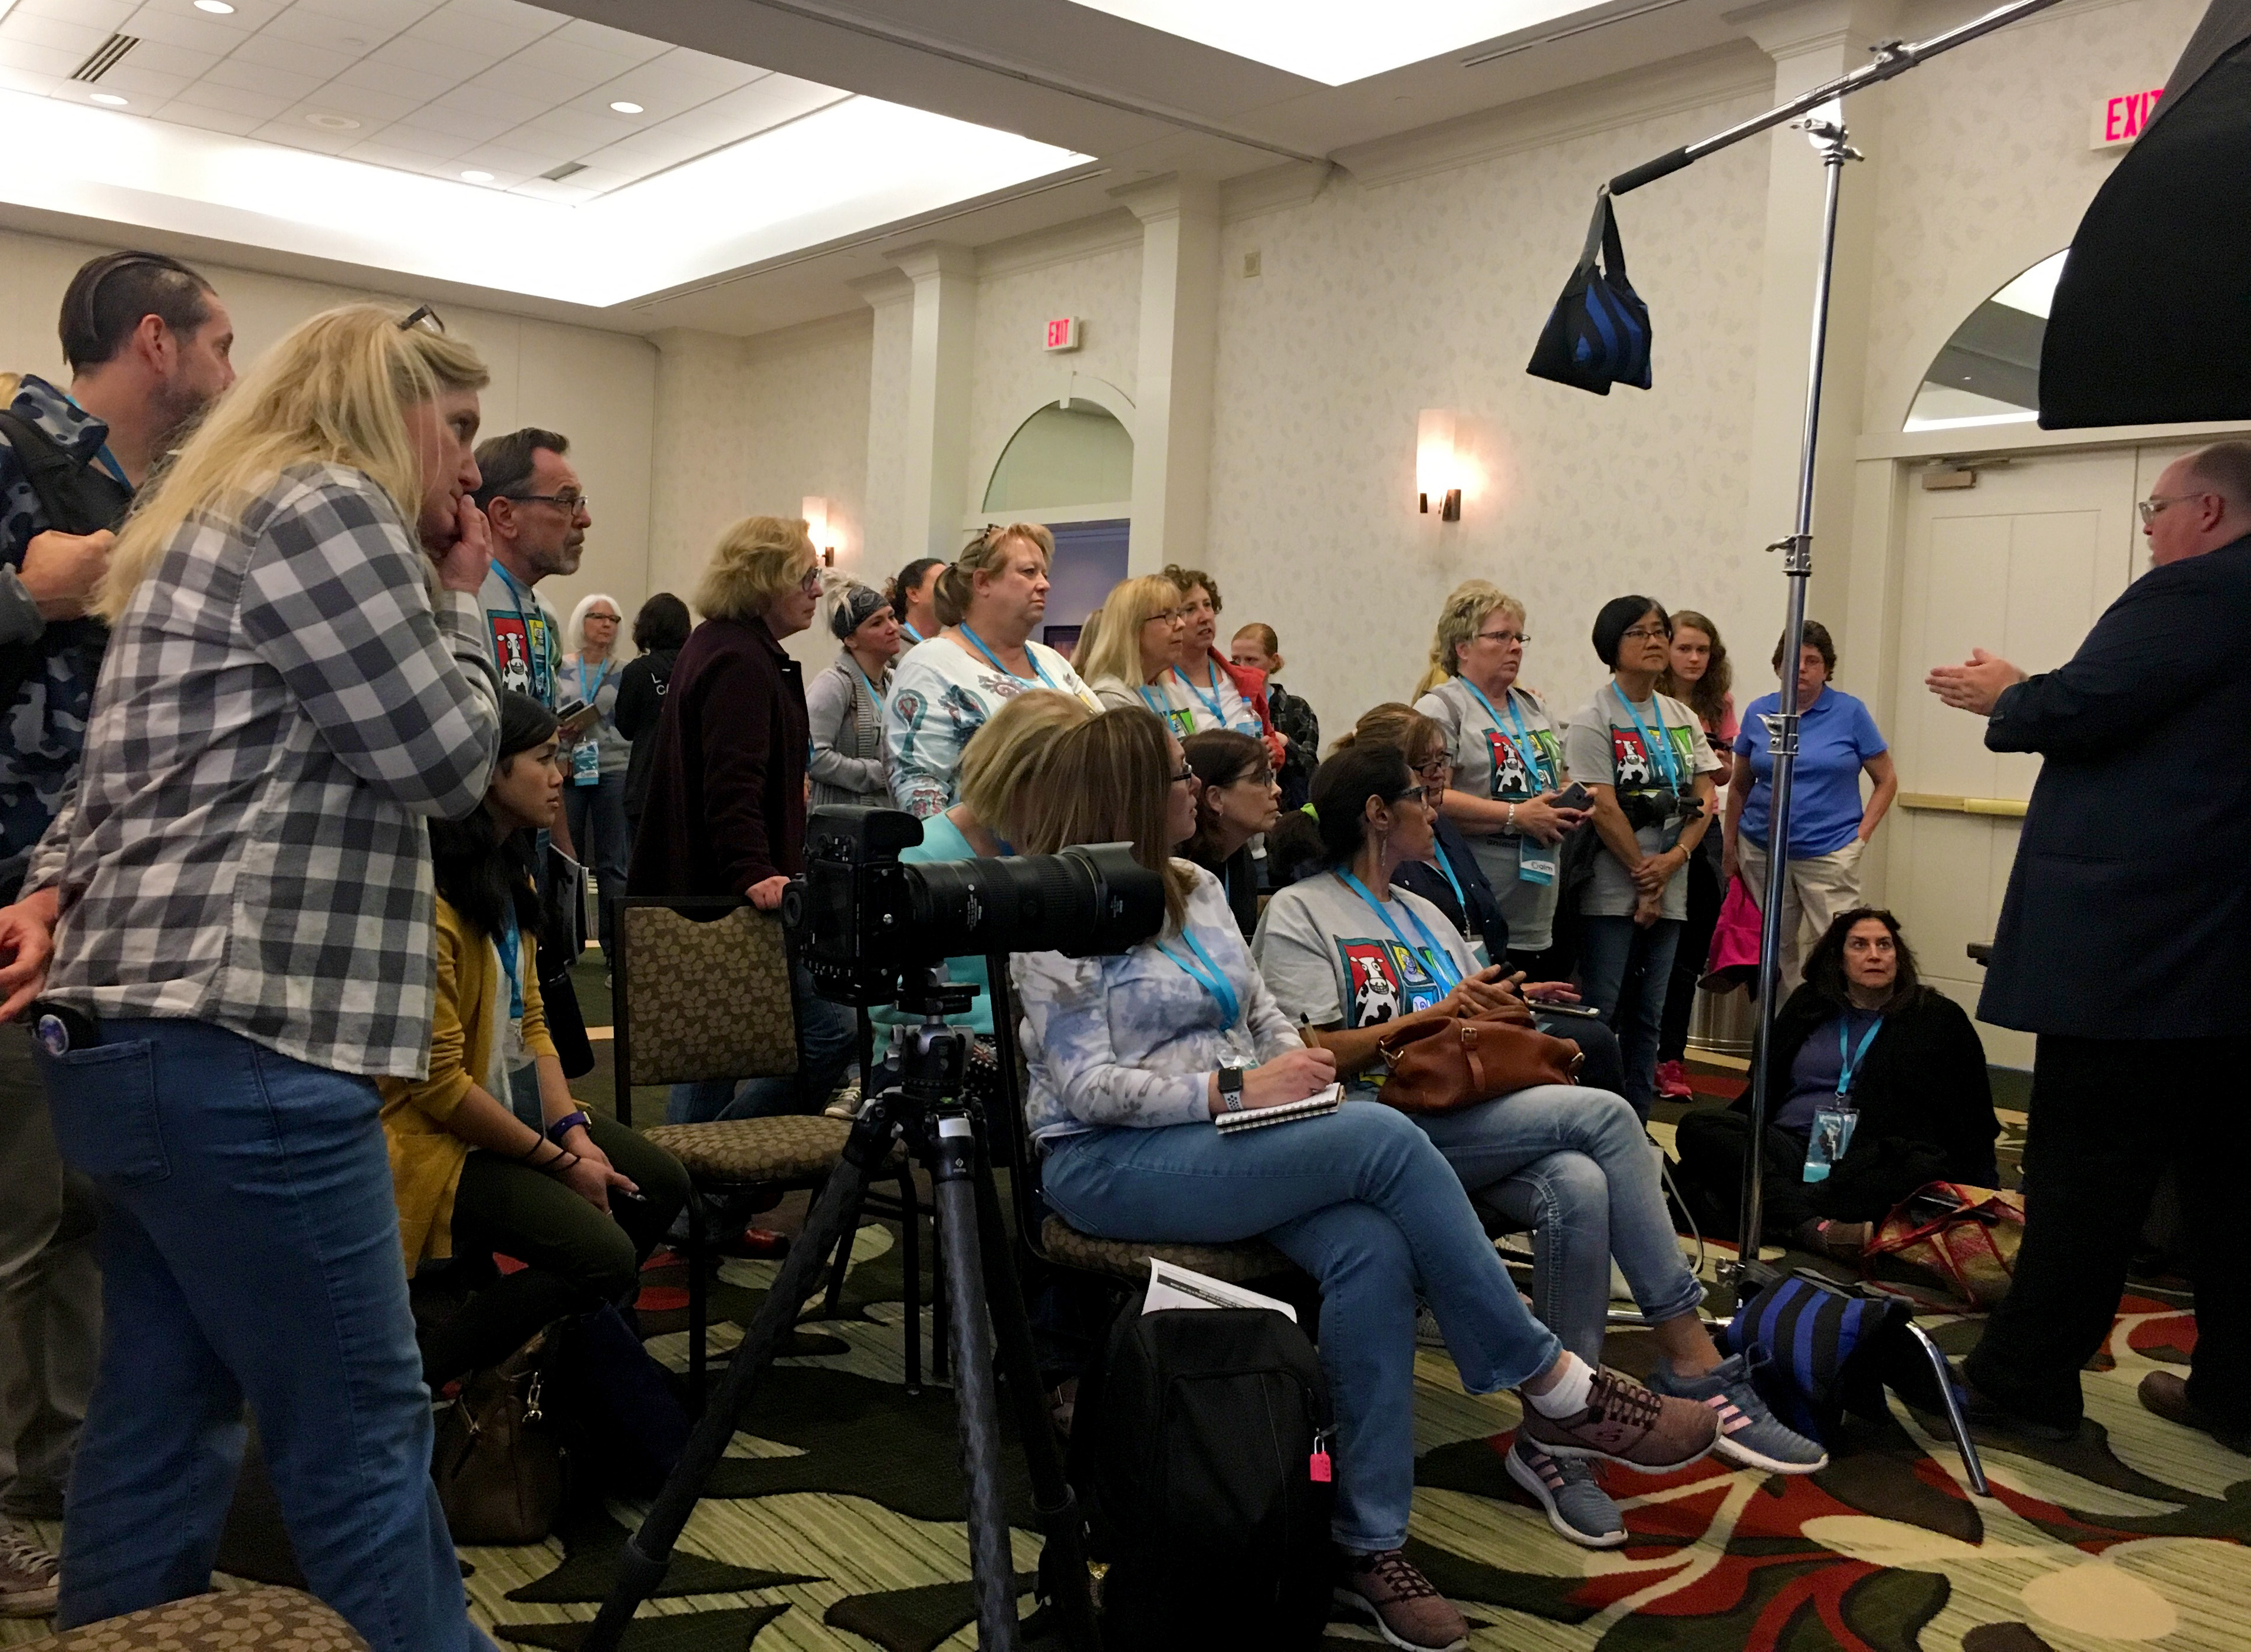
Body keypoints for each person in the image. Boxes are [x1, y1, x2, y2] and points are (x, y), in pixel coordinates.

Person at [0, 302, 500, 1647]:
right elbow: (449, 762)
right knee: (359, 1436)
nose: (471, 470)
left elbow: (107, 787)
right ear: (383, 408)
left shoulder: (198, 522)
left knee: (161, 1419)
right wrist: (462, 600)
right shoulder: (329, 506)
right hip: (247, 1043)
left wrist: (49, 884)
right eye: (453, 431)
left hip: (136, 1043)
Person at [1013, 708, 1722, 1647]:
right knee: (1382, 1139)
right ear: (1129, 793)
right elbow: (1085, 1088)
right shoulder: (1057, 910)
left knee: (1372, 1247)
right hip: (1104, 1162)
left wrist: (1288, 1068)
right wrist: (1237, 1089)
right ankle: (1553, 1381)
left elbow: (1260, 1010)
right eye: (1180, 773)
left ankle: (1362, 1540)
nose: (1197, 787)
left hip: (1229, 1129)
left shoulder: (1194, 883)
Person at [1253, 743, 1825, 1546]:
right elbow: (1313, 1048)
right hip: (1373, 1128)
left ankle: (1556, 1440)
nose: (1433, 806)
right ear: (1377, 813)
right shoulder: (1301, 912)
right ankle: (1690, 1355)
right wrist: (1442, 1011)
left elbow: (1470, 1020)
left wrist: (1494, 1001)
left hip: (1457, 1116)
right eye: (1420, 795)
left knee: (1577, 1183)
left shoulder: (1423, 912)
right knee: (1604, 1116)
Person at [1925, 439, 2251, 1454]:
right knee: (2226, 1186)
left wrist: (2008, 693)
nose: (2147, 527)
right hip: (2223, 959)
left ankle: (2025, 1382)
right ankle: (2236, 1391)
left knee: (2082, 1179)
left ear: (2203, 511)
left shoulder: (2194, 591)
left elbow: (2084, 705)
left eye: (2153, 509)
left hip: (2137, 955)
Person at [0, 251, 234, 1610]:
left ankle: (65, 1470)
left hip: (109, 900)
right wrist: (34, 595)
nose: (230, 372)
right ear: (157, 342)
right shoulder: (14, 454)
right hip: (9, 890)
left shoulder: (159, 500)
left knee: (86, 1213)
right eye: (219, 341)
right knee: (14, 1223)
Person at [385, 692, 688, 1387]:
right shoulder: (424, 895)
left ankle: (547, 1358)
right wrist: (558, 1162)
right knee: (604, 1256)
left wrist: (574, 1134)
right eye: (546, 758)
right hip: (429, 1137)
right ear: (489, 773)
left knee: (659, 1186)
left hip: (506, 1105)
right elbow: (435, 1088)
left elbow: (530, 1025)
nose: (562, 775)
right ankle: (410, 1382)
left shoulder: (509, 868)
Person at [630, 515, 856, 1125]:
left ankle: (695, 1204)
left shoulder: (727, 646)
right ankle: (715, 1186)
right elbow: (732, 784)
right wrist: (753, 868)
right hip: (734, 893)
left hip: (714, 888)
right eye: (806, 577)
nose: (816, 590)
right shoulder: (739, 660)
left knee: (712, 1061)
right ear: (762, 581)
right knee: (834, 1034)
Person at [1331, 704, 1629, 1097]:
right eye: (1424, 766)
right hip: (1431, 1036)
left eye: (1443, 759)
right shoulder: (1379, 871)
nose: (1439, 774)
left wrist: (1508, 992)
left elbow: (1468, 947)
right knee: (1589, 1052)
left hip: (1469, 1005)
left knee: (1590, 1048)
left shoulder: (1445, 832)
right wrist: (1466, 1002)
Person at [1674, 910, 1997, 1259]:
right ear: (1838, 959)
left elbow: (1971, 1117)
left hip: (1867, 1161)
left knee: (1916, 1170)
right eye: (1860, 945)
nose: (1875, 955)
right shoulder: (1809, 1005)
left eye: (1884, 945)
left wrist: (1981, 1191)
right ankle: (1812, 1226)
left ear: (1898, 957)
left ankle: (1779, 1213)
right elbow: (1761, 1090)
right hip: (1790, 1145)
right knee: (1701, 1127)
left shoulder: (1936, 1018)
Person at [1565, 597, 1721, 1120]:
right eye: (1639, 633)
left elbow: (1705, 796)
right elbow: (1601, 805)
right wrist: (1644, 876)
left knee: (1650, 1017)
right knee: (1602, 1012)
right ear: (1612, 645)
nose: (1655, 642)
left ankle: (1637, 1122)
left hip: (1670, 878)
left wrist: (1674, 859)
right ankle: (1592, 1117)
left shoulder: (1680, 716)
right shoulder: (1593, 717)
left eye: (1660, 632)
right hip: (1612, 887)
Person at [870, 688, 1092, 1042]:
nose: (1074, 810)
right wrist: (1033, 1010)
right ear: (1015, 781)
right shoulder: (919, 859)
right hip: (941, 1060)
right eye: (1064, 794)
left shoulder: (1053, 850)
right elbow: (882, 1001)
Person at [1413, 581, 1587, 975]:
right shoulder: (1443, 708)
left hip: (1538, 898)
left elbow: (1553, 778)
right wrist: (1515, 816)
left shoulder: (1532, 706)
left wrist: (1565, 803)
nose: (1515, 647)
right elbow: (1428, 796)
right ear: (1462, 647)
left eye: (1518, 637)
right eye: (1500, 637)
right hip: (1474, 899)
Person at [1724, 620, 1896, 999]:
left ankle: (1836, 1034)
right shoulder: (1758, 712)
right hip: (1763, 851)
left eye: (1812, 660)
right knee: (1775, 950)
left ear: (1827, 669)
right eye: (1792, 660)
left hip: (1830, 851)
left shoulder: (1850, 713)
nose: (1801, 668)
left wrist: (1860, 839)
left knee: (1837, 947)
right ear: (1777, 666)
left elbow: (1887, 780)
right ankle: (1785, 1036)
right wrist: (1729, 846)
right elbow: (1739, 786)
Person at [886, 523, 1099, 818]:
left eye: (1044, 574)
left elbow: (1103, 738)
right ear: (983, 582)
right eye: (1028, 572)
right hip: (986, 858)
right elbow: (920, 795)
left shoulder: (1051, 661)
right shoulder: (932, 664)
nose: (1044, 584)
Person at [472, 427, 586, 858]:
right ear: (504, 516)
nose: (583, 519)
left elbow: (544, 740)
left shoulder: (545, 614)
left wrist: (563, 849)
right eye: (564, 501)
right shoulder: (459, 603)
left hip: (525, 847)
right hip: (467, 844)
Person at [1653, 610, 1738, 1101]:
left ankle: (1671, 1059)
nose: (1693, 658)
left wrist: (1708, 758)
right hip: (1654, 825)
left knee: (1689, 953)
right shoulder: (1647, 701)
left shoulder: (1718, 702)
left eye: (1702, 650)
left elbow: (1723, 772)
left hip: (1703, 824)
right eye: (1684, 648)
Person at [559, 593, 631, 971]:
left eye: (613, 619)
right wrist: (557, 757)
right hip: (568, 769)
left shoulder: (626, 670)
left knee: (612, 864)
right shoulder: (561, 668)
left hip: (615, 770)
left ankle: (614, 951)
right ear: (580, 622)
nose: (606, 624)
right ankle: (563, 943)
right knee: (564, 859)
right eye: (598, 617)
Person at [1161, 564, 1283, 757]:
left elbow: (1270, 740)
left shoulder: (1245, 680)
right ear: (1172, 620)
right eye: (1191, 609)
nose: (1205, 617)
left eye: (1208, 605)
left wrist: (1271, 751)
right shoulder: (1159, 686)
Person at [806, 581, 901, 809]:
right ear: (851, 639)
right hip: (842, 825)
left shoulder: (897, 683)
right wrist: (879, 774)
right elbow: (812, 756)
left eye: (892, 616)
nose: (892, 628)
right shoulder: (833, 684)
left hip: (887, 818)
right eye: (877, 623)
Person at [1179, 729, 1279, 938]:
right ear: (1216, 798)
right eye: (1262, 779)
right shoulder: (1180, 868)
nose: (1276, 790)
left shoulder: (1240, 858)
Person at [615, 591, 690, 844]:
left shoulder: (638, 671)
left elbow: (625, 728)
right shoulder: (696, 666)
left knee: (640, 870)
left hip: (645, 784)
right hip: (688, 786)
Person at [1077, 573, 1189, 728]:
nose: (1181, 624)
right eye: (1167, 615)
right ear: (1132, 629)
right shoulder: (1111, 699)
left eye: (1178, 614)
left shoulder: (1171, 692)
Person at [1231, 623, 1319, 811]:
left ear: (1273, 660)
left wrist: (1286, 743)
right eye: (1236, 660)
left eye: (1251, 659)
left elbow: (1312, 770)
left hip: (1287, 810)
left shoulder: (1296, 709)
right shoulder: (1229, 706)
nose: (1242, 668)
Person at [890, 554, 944, 646]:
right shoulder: (893, 646)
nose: (951, 590)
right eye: (941, 582)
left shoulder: (948, 647)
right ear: (913, 594)